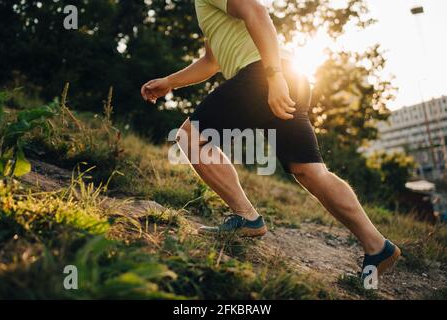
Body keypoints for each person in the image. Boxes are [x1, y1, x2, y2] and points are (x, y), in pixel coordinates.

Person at [141, 0, 401, 278]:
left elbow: (257, 12)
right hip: (287, 75)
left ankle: (247, 217)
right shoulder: (204, 7)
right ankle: (377, 246)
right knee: (310, 170)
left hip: (263, 74)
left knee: (190, 139)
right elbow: (211, 61)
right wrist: (170, 82)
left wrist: (274, 78)